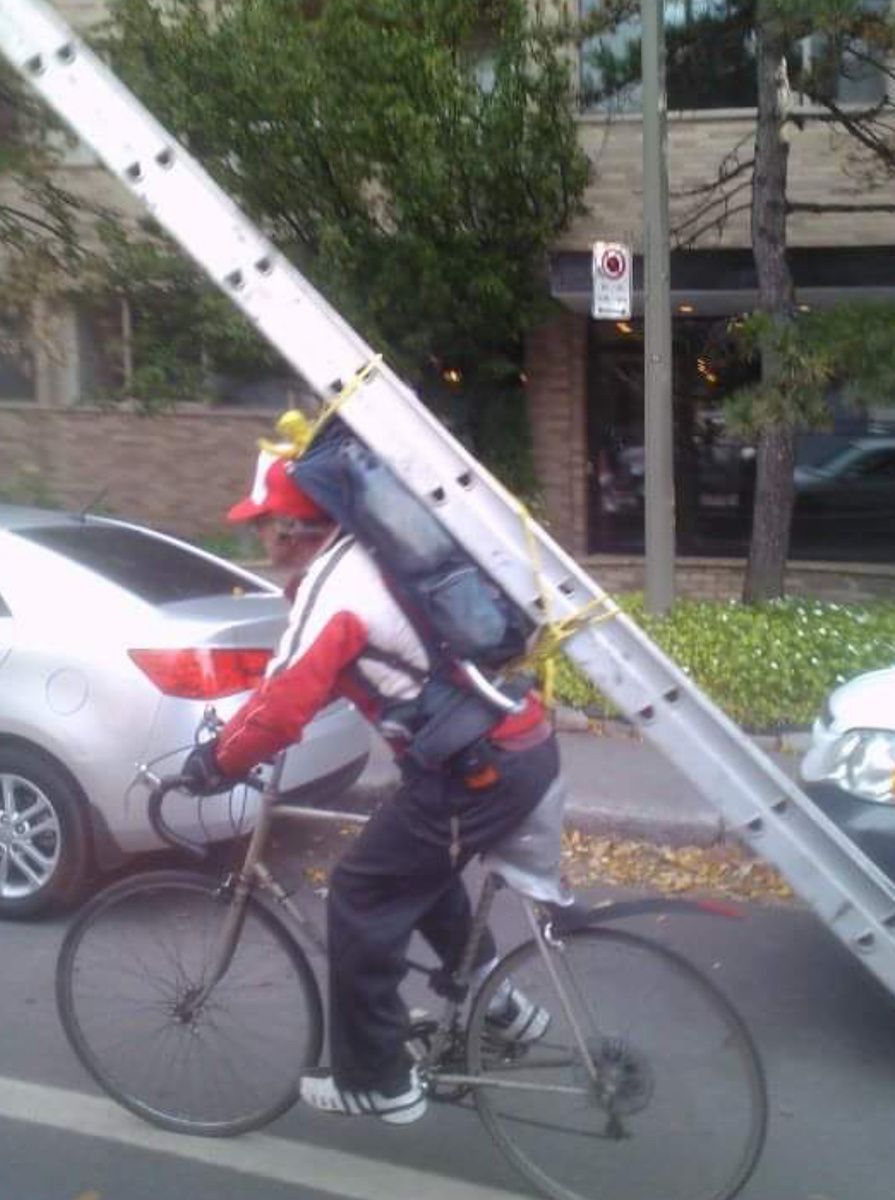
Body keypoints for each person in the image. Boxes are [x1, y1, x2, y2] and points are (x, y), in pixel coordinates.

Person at [181, 445, 563, 1125]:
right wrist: (250, 726)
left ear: (293, 528)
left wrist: (218, 762)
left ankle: (376, 1080)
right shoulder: (374, 557)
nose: (258, 538)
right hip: (510, 745)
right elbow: (350, 673)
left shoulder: (335, 586)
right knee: (420, 876)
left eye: (262, 524)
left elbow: (283, 705)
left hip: (479, 767)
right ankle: (500, 1006)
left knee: (360, 893)